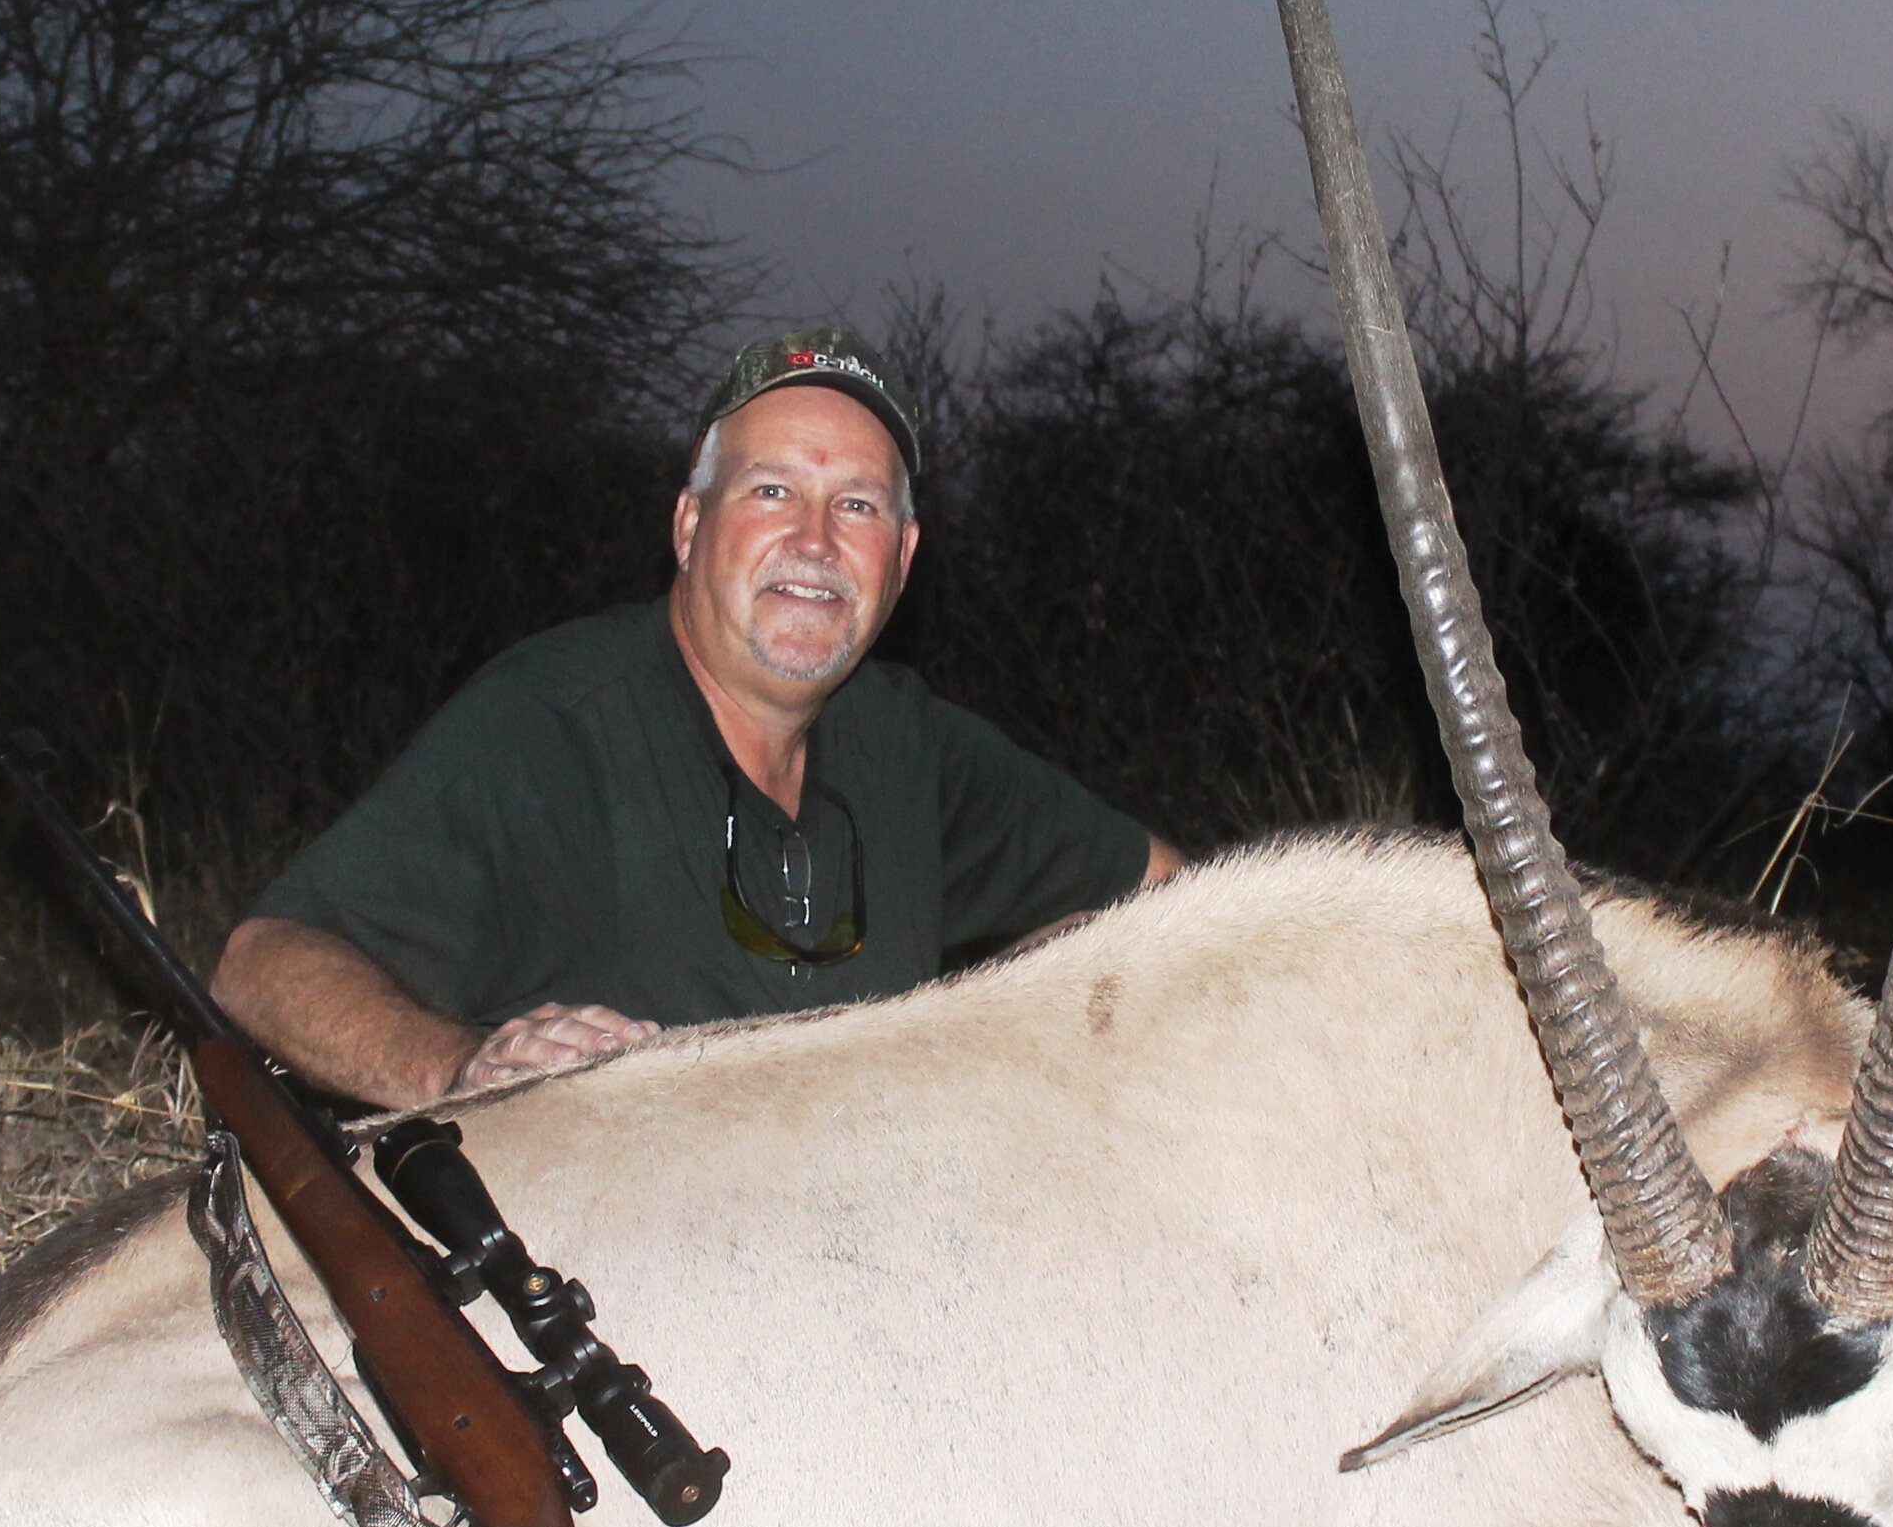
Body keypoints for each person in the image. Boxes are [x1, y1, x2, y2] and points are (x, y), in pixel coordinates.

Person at [215, 326, 1182, 1107]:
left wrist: (986, 1035)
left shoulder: (908, 743)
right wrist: (462, 1069)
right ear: (689, 526)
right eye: (772, 492)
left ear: (904, 556)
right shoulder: (556, 721)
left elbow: (1162, 891)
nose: (815, 540)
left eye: (857, 505)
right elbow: (265, 966)